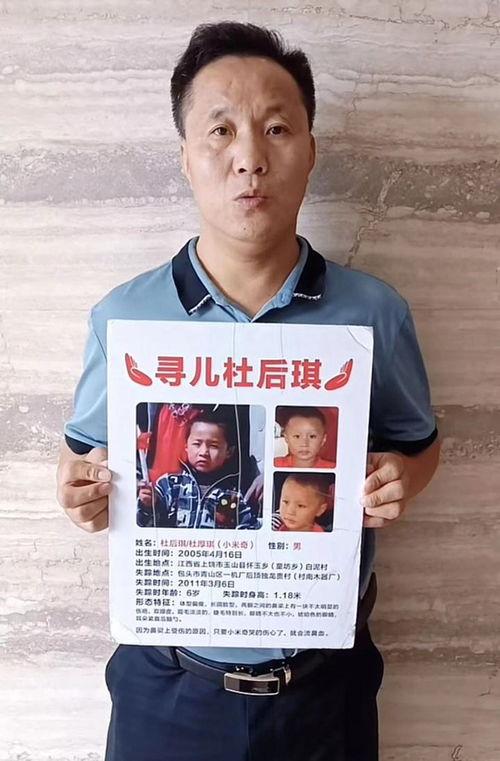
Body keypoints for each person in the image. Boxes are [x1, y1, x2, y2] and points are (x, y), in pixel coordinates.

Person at [56, 20, 440, 761]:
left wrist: (401, 478)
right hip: (166, 687)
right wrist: (79, 492)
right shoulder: (124, 317)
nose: (249, 159)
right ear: (185, 157)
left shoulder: (375, 311)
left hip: (324, 689)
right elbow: (82, 460)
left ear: (311, 150)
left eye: (276, 129)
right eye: (221, 130)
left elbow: (419, 448)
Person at [137, 411, 261, 529]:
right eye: (197, 444)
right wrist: (148, 505)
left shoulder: (234, 494)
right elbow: (146, 525)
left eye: (213, 446)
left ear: (229, 451)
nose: (203, 452)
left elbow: (247, 531)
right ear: (186, 446)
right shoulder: (169, 485)